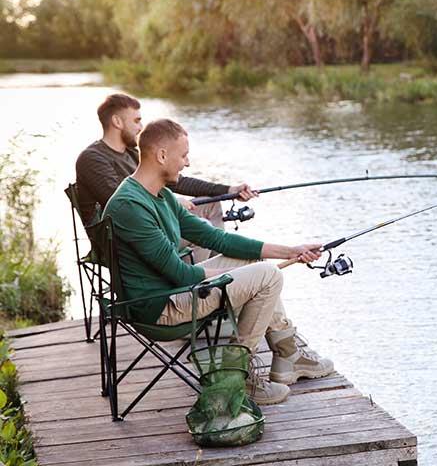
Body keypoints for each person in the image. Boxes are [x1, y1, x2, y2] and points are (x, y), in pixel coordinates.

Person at [103, 118, 334, 405]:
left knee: (252, 261)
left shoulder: (160, 195)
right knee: (268, 276)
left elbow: (218, 240)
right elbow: (181, 274)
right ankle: (236, 375)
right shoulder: (131, 205)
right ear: (162, 155)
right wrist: (233, 277)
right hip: (162, 307)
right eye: (184, 155)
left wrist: (290, 250)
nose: (187, 163)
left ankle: (287, 355)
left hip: (172, 291)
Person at [76, 93, 256, 262]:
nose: (140, 127)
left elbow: (179, 181)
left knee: (210, 204)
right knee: (201, 228)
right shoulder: (92, 158)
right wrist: (175, 203)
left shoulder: (132, 153)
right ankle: (192, 287)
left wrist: (228, 190)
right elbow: (120, 202)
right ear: (117, 121)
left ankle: (220, 274)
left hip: (153, 221)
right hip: (125, 239)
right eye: (136, 121)